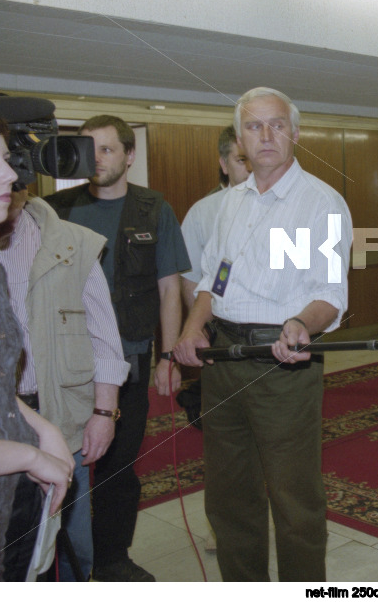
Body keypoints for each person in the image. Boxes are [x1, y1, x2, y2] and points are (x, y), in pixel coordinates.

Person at [173, 87, 353, 581]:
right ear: (240, 139)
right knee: (229, 496)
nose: (266, 135)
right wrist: (192, 328)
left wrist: (301, 324)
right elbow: (214, 278)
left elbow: (330, 293)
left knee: (294, 500)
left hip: (283, 359)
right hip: (224, 361)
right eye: (254, 127)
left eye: (276, 125)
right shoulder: (230, 204)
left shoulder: (322, 204)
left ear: (295, 133)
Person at [45, 114, 190, 582]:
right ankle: (59, 562)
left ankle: (111, 558)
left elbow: (170, 289)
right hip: (66, 364)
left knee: (117, 465)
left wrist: (168, 356)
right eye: (89, 149)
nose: (97, 159)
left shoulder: (154, 209)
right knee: (59, 463)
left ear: (129, 156)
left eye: (107, 149)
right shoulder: (55, 210)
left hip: (130, 358)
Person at [0, 102, 73, 581]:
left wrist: (44, 429)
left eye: (6, 159)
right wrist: (27, 455)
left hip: (7, 501)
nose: (10, 175)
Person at [0, 189, 129, 582]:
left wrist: (103, 412)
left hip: (62, 422)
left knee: (72, 543)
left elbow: (104, 337)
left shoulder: (73, 242)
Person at [180, 124, 251, 309]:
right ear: (224, 165)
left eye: (255, 159)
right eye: (242, 160)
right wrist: (200, 328)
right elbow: (191, 278)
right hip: (220, 321)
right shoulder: (201, 213)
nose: (251, 168)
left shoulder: (285, 209)